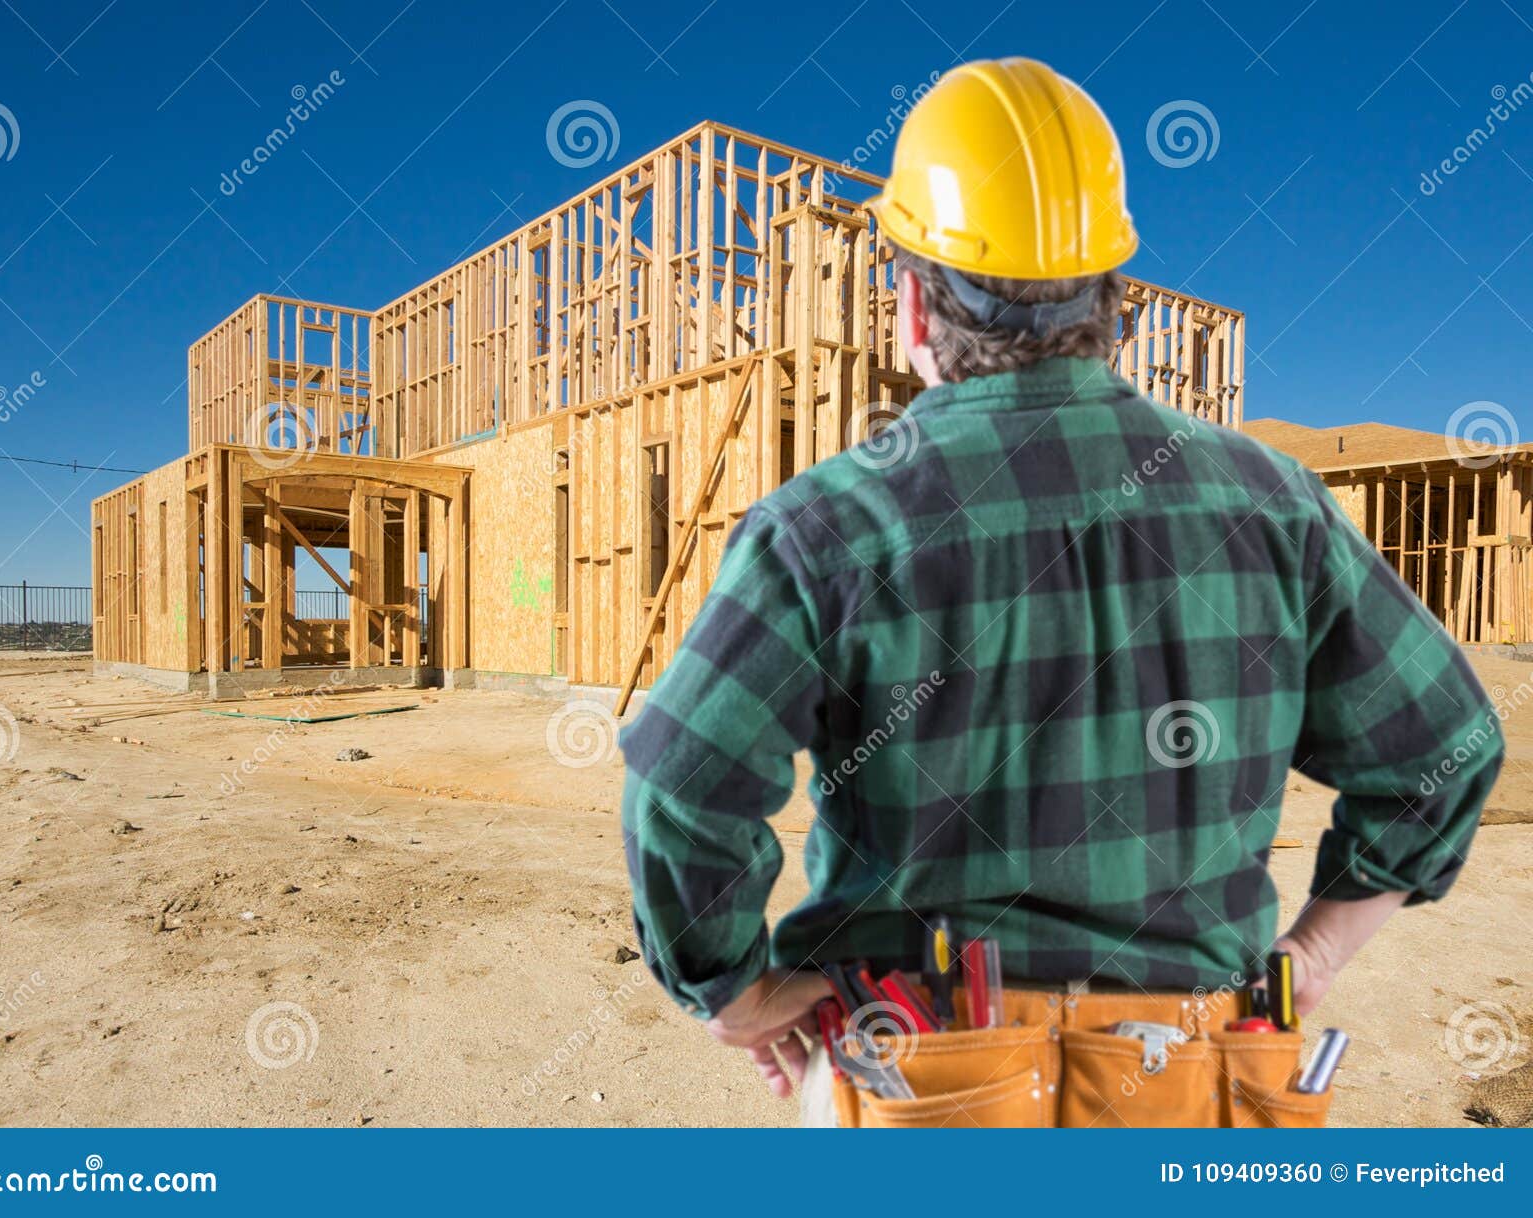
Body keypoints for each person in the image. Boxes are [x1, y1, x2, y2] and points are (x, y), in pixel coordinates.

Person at [618, 58, 1503, 1124]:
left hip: (917, 1083)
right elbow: (1446, 750)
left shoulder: (828, 528)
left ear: (909, 301)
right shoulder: (1274, 508)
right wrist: (1311, 953)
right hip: (1195, 1086)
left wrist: (734, 989)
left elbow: (680, 783)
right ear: (1113, 301)